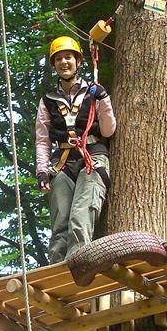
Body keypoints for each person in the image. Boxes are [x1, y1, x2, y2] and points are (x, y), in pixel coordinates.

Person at [35, 35, 117, 263]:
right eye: (59, 59)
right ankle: (56, 273)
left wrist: (104, 99)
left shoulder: (93, 92)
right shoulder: (48, 100)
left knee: (80, 219)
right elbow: (42, 140)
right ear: (54, 65)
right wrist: (42, 170)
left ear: (78, 61)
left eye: (68, 57)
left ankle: (78, 271)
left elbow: (109, 131)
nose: (64, 62)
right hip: (62, 163)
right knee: (60, 224)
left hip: (92, 158)